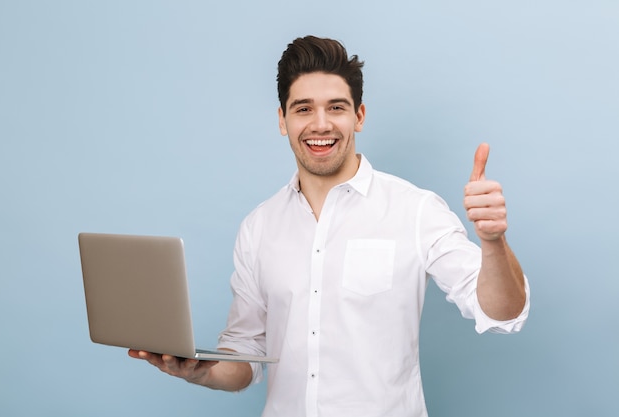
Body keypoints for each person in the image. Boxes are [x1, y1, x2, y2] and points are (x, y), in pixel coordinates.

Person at [129, 35, 530, 417]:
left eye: (336, 108)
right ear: (283, 120)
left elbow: (501, 314)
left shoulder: (416, 209)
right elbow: (245, 355)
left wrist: (493, 242)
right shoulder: (258, 226)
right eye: (303, 108)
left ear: (359, 116)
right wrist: (200, 370)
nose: (320, 124)